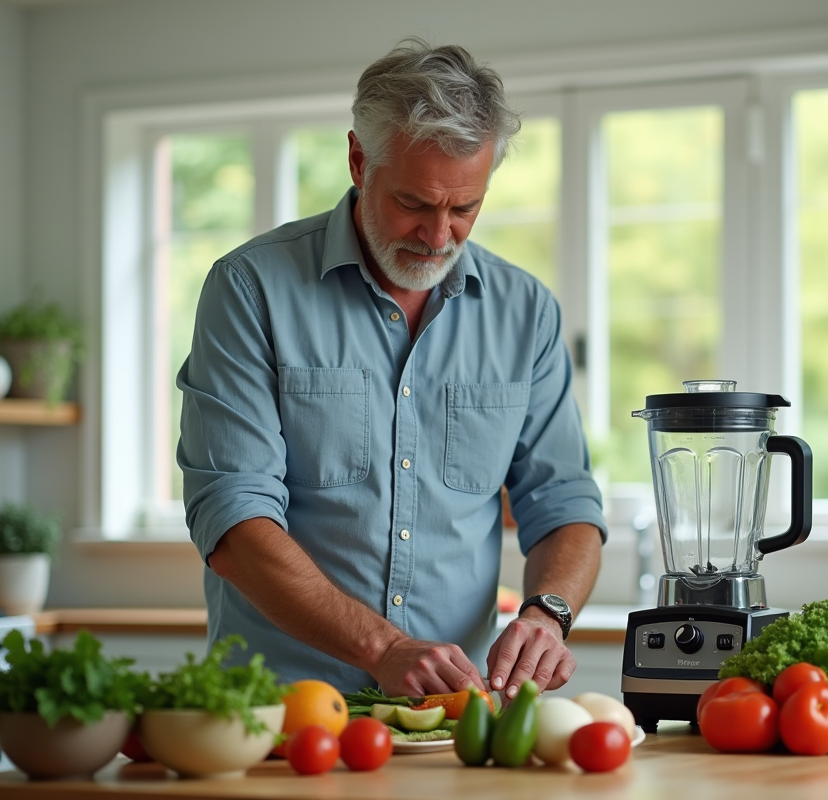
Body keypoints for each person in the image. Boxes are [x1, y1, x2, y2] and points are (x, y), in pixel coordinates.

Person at [177, 38, 606, 702]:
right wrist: (383, 648)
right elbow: (232, 519)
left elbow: (565, 505)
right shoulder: (251, 289)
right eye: (414, 202)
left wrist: (547, 613)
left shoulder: (526, 313)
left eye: (464, 208)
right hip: (280, 713)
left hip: (450, 716)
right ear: (357, 159)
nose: (438, 236)